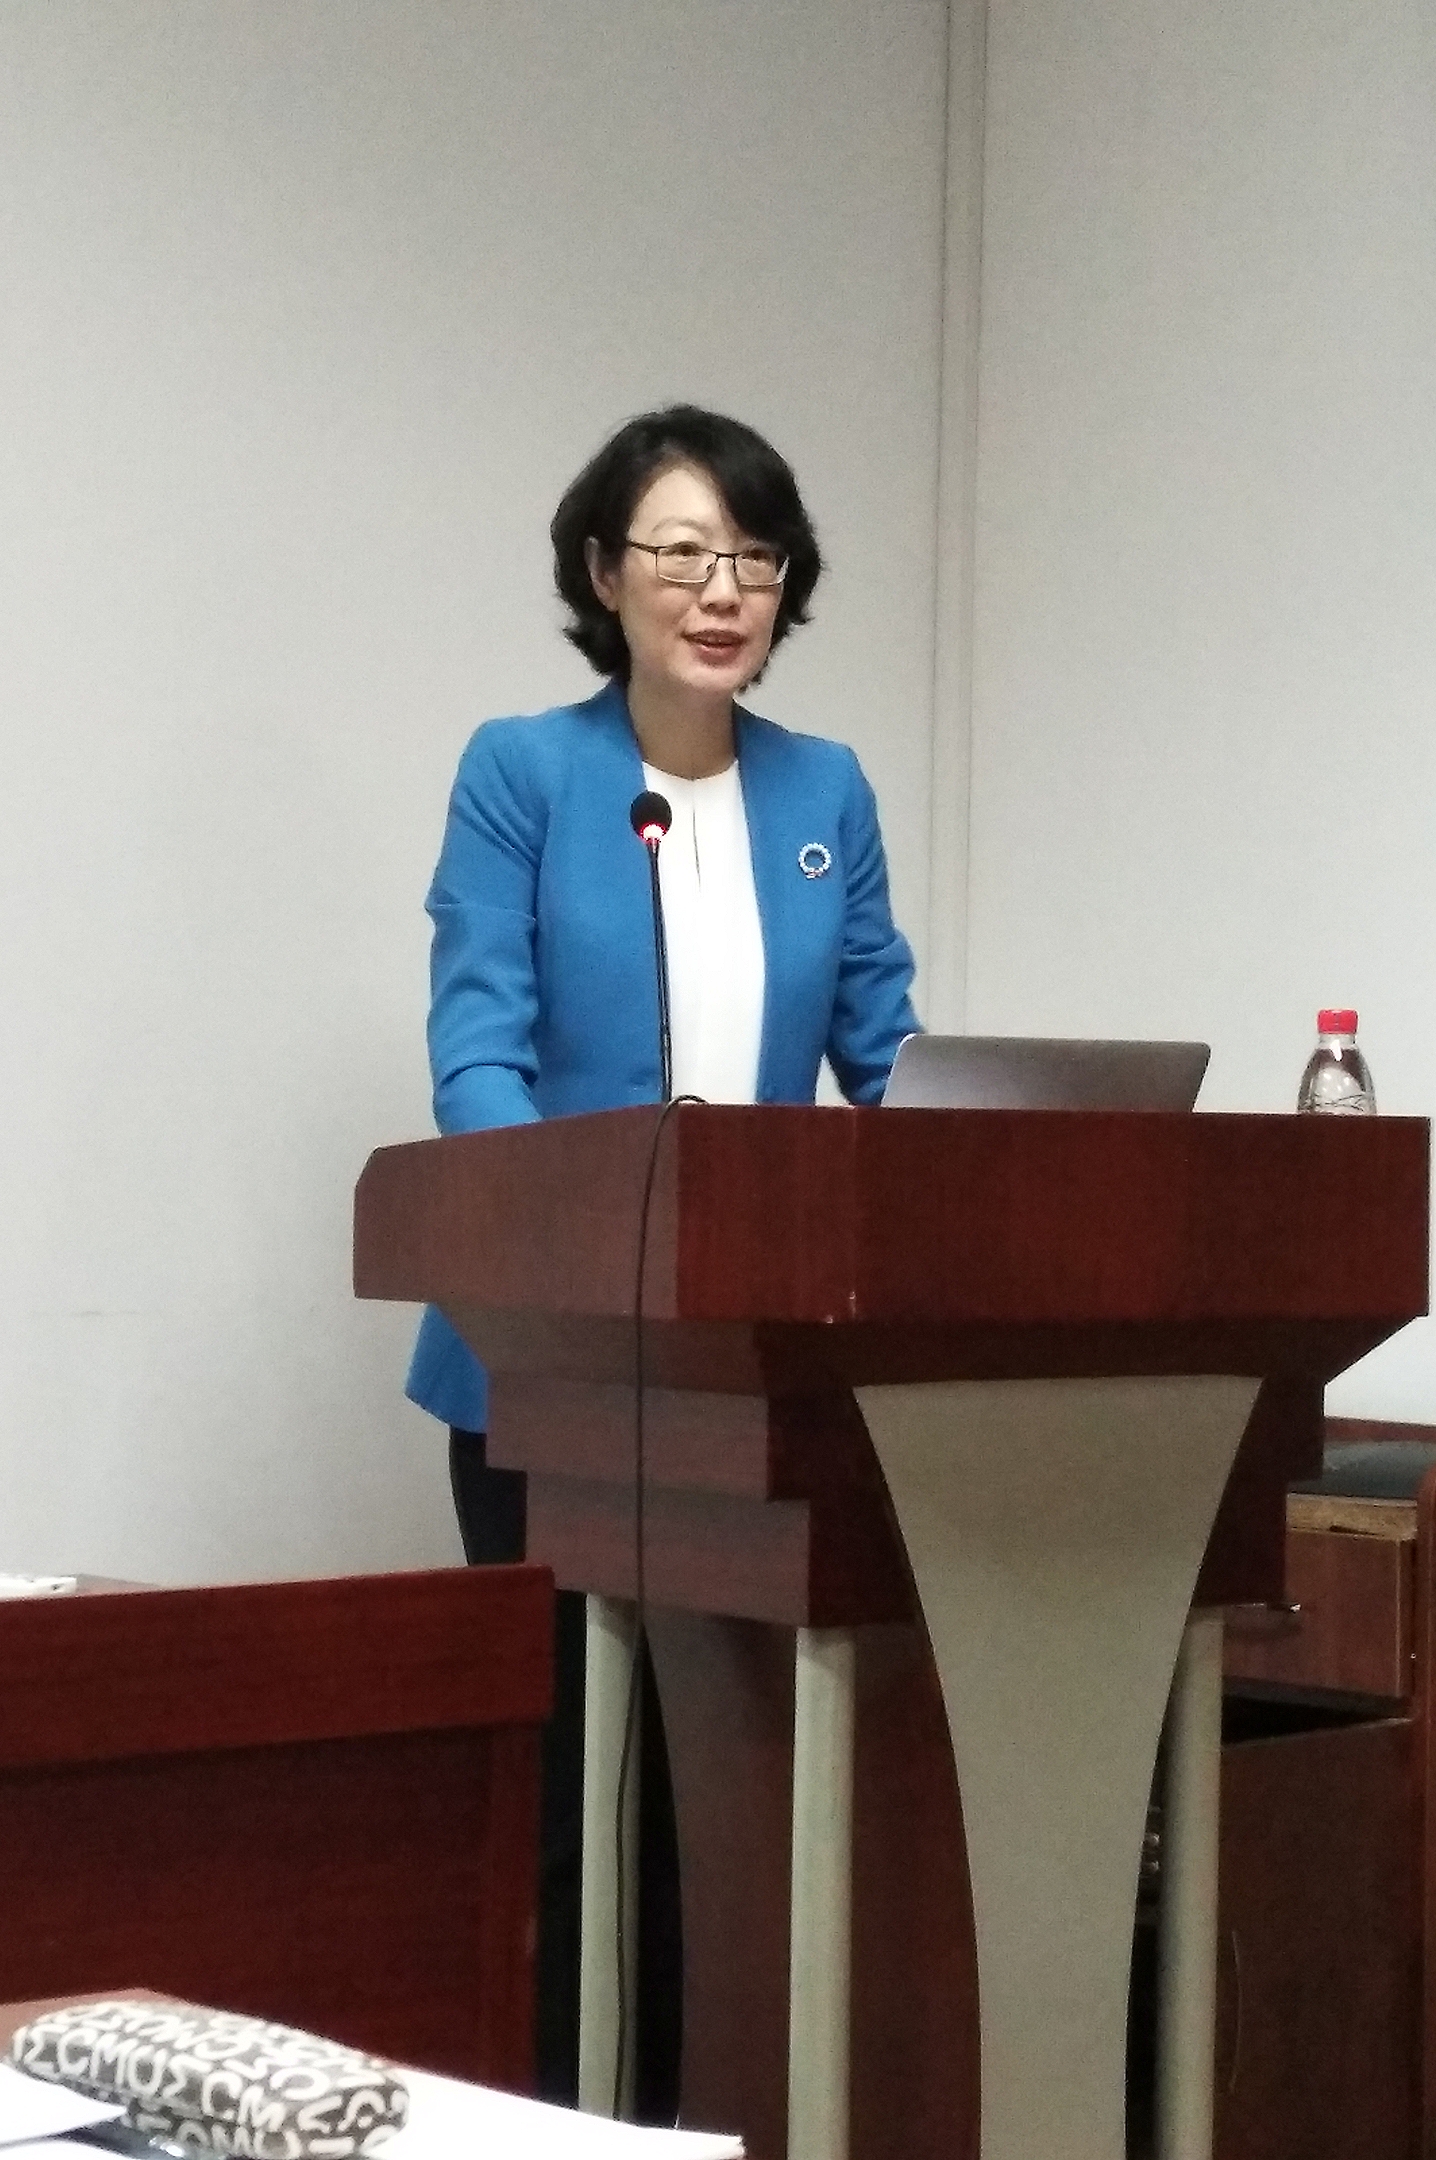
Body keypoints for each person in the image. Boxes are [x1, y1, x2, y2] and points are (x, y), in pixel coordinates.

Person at [404, 405, 922, 2113]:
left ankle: (709, 2125)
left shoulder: (824, 790)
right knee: (572, 1799)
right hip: (544, 1368)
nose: (722, 590)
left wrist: (979, 1156)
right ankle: (565, 2125)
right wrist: (557, 1246)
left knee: (722, 1805)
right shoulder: (525, 772)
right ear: (603, 573)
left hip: (747, 1383)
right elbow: (479, 1053)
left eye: (755, 558)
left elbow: (891, 1058)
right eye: (684, 552)